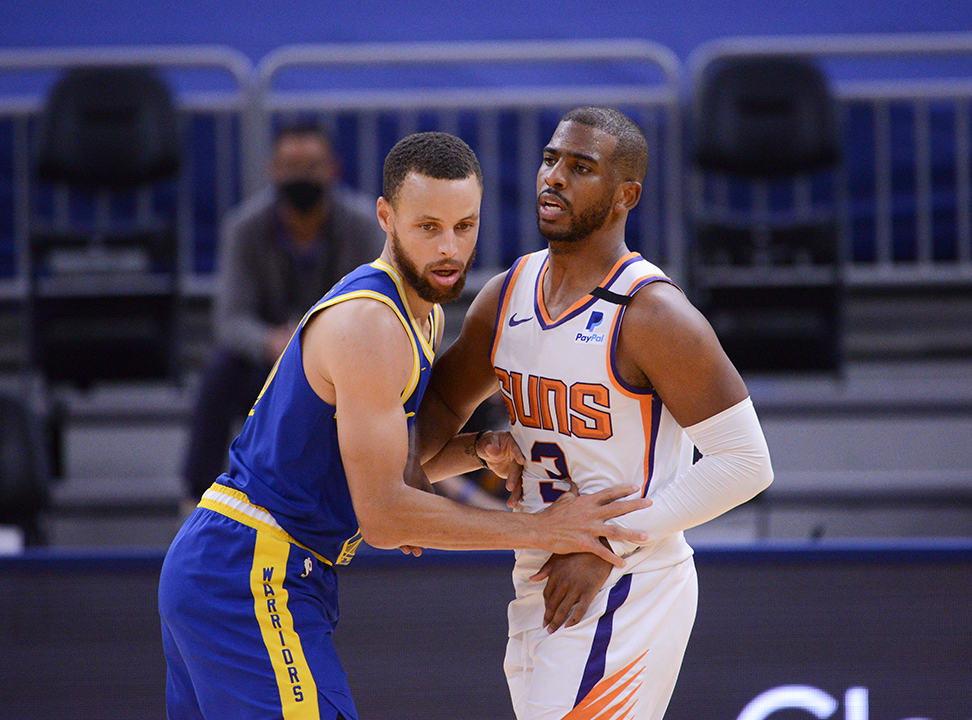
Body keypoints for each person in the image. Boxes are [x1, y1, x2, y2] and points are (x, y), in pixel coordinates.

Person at [158, 131, 652, 720]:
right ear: (386, 218)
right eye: (428, 228)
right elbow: (386, 516)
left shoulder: (426, 314)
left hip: (245, 565)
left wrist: (477, 449)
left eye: (464, 227)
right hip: (251, 567)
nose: (450, 248)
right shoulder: (372, 325)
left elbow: (375, 469)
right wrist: (546, 529)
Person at [417, 107, 775, 719]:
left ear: (624, 196)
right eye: (551, 160)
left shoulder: (652, 314)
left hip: (624, 579)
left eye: (580, 168)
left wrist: (603, 542)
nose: (554, 177)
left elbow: (746, 463)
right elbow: (441, 409)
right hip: (538, 571)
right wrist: (402, 482)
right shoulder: (507, 294)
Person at [180, 122, 381, 503]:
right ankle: (196, 499)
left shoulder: (363, 226)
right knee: (220, 371)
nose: (301, 176)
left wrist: (317, 343)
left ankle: (374, 493)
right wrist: (272, 341)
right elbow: (229, 320)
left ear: (333, 170)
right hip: (269, 362)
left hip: (342, 365)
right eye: (291, 165)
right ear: (273, 170)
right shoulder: (244, 227)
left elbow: (374, 309)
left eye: (312, 166)